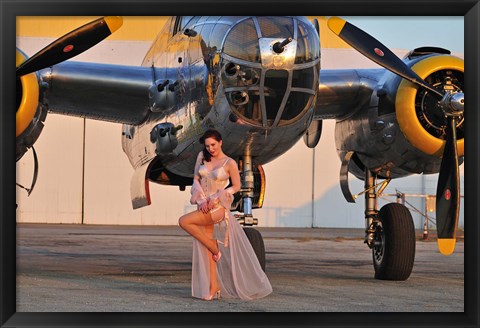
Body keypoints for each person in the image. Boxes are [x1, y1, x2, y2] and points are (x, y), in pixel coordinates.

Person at [178, 129, 272, 301]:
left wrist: (215, 198)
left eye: (213, 145)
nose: (210, 148)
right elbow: (196, 180)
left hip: (217, 207)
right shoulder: (202, 157)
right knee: (206, 249)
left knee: (184, 221)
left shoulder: (229, 163)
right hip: (203, 205)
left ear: (220, 142)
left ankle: (215, 248)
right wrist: (201, 200)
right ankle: (214, 287)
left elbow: (236, 186)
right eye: (207, 146)